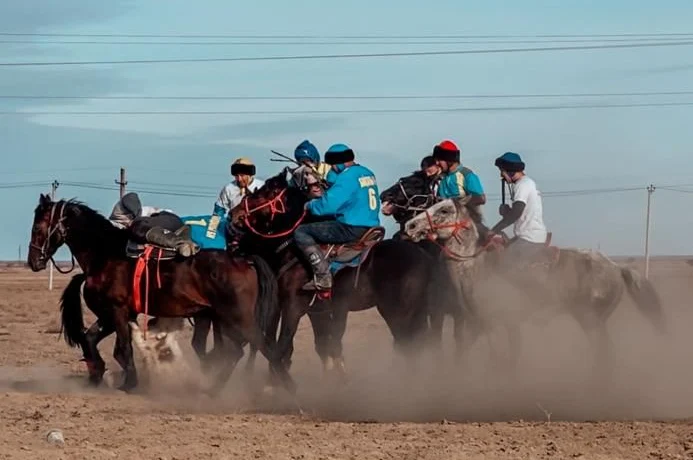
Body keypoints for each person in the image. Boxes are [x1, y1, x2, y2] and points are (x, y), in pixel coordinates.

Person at [294, 143, 381, 291]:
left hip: (351, 227)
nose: (332, 168)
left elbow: (328, 206)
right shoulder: (367, 172)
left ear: (339, 162)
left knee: (301, 232)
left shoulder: (347, 177)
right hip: (372, 226)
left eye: (333, 164)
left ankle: (322, 276)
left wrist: (310, 205)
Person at [488, 152, 548, 267]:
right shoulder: (526, 183)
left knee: (504, 265)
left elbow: (516, 213)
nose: (501, 175)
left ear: (511, 171)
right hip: (528, 236)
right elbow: (519, 212)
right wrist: (507, 212)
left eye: (502, 171)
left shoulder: (522, 185)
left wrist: (494, 230)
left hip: (529, 238)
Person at [109, 192, 199, 257]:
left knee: (137, 228)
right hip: (179, 229)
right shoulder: (116, 225)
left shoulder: (142, 215)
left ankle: (180, 244)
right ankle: (187, 243)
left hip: (169, 221)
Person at [432, 140, 486, 208]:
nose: (437, 163)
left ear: (449, 160)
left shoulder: (466, 175)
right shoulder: (442, 178)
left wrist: (457, 202)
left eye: (439, 160)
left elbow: (481, 198)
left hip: (465, 216)